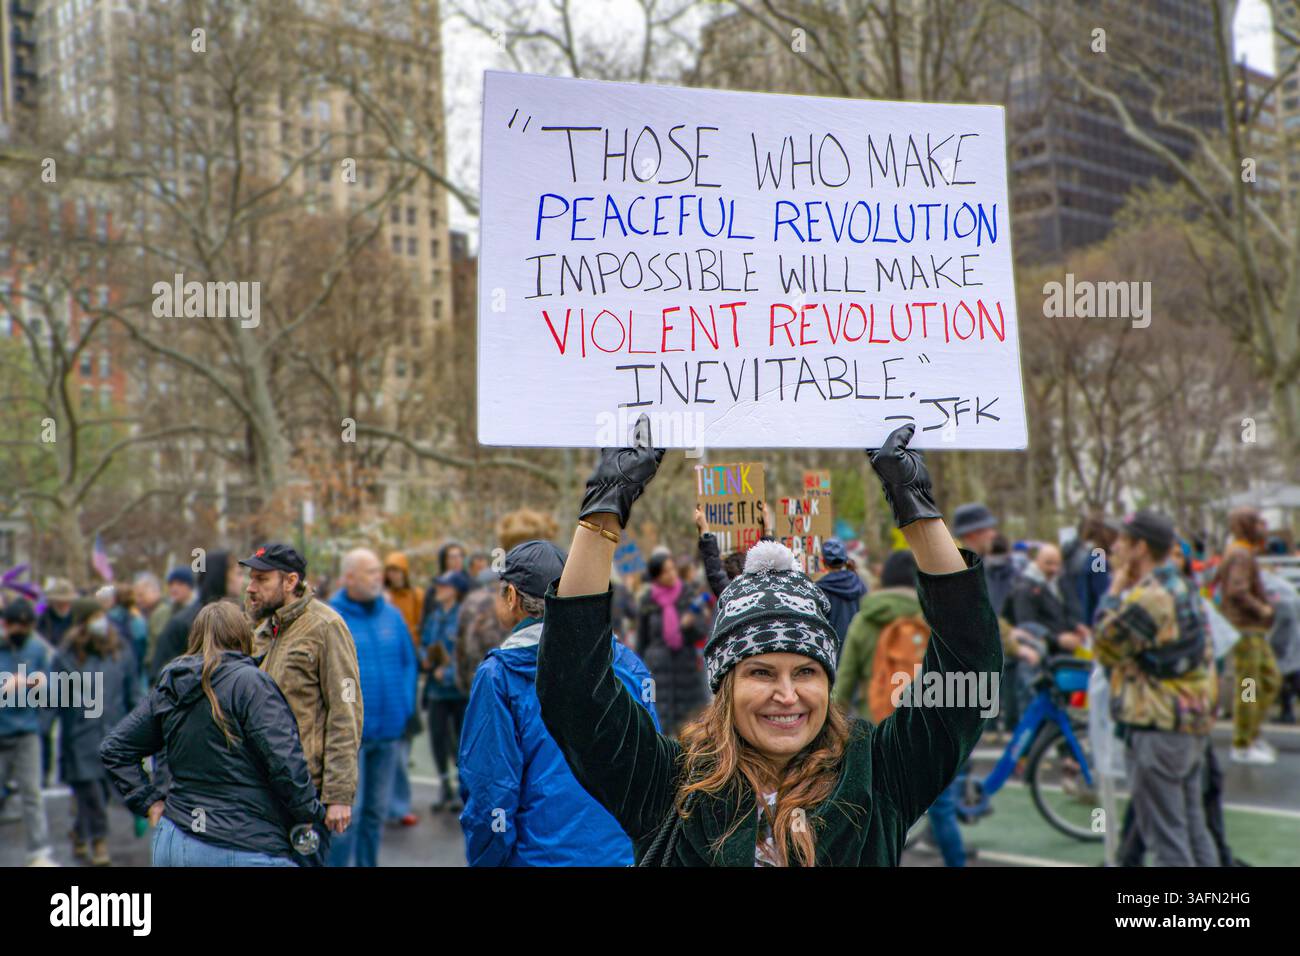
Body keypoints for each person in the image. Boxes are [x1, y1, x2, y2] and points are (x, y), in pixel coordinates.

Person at [536, 419, 1001, 866]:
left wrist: (914, 505)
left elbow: (970, 670)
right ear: (724, 685)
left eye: (806, 671)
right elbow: (574, 690)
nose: (787, 694)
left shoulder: (878, 775)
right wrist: (604, 509)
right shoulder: (667, 786)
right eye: (761, 672)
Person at [459, 540, 662, 865]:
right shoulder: (629, 664)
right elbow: (654, 774)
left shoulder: (499, 676)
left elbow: (491, 792)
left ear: (511, 598)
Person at [101, 601, 325, 866]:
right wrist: (307, 811)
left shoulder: (172, 685)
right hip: (243, 842)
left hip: (175, 840)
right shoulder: (250, 683)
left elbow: (115, 748)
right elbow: (285, 761)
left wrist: (150, 803)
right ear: (243, 635)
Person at [1094, 510, 1217, 867]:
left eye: (1122, 541)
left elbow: (1105, 644)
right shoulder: (1184, 587)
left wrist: (1114, 589)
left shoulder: (1150, 596)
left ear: (1140, 548)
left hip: (1156, 726)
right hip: (1189, 725)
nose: (1114, 547)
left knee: (1167, 839)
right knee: (1194, 830)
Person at [243, 542, 363, 864]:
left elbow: (345, 711)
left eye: (261, 580)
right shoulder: (262, 628)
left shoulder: (326, 626)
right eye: (250, 578)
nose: (250, 587)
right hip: (257, 790)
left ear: (291, 581)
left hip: (304, 795)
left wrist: (338, 795)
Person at [328, 549, 418, 866]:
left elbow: (409, 662)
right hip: (350, 739)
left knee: (374, 815)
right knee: (345, 819)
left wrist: (405, 704)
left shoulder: (392, 616)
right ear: (349, 577)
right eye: (370, 572)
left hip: (389, 733)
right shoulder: (332, 618)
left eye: (379, 570)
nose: (378, 577)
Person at [53, 598, 139, 865]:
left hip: (114, 732)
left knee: (100, 791)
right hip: (80, 737)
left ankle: (79, 833)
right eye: (95, 616)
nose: (102, 621)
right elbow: (55, 698)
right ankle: (99, 841)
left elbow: (132, 691)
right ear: (82, 623)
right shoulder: (67, 656)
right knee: (89, 790)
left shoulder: (120, 649)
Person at [1213, 507, 1280, 764]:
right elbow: (1237, 589)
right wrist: (1261, 608)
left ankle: (1252, 732)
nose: (1263, 527)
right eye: (1258, 522)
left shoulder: (1242, 552)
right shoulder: (1240, 554)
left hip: (1252, 630)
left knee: (1268, 680)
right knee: (1249, 686)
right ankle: (1243, 742)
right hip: (1246, 630)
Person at [0, 597, 57, 865]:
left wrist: (34, 683)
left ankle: (38, 853)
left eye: (26, 625)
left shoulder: (36, 649)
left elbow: (52, 688)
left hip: (26, 732)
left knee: (31, 794)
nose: (21, 631)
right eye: (16, 626)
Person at [636, 546, 709, 737]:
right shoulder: (648, 601)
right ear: (656, 576)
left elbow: (702, 631)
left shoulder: (688, 594)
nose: (671, 574)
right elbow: (642, 640)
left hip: (685, 671)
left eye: (672, 569)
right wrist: (641, 671)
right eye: (666, 571)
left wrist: (689, 626)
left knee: (689, 728)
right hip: (659, 673)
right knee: (662, 726)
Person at [421, 569, 470, 812]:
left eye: (444, 586)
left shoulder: (464, 617)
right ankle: (444, 788)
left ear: (455, 590)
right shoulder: (435, 617)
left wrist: (448, 674)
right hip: (436, 692)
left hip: (459, 692)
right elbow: (424, 644)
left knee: (461, 742)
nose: (438, 589)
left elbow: (469, 653)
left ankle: (464, 790)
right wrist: (426, 661)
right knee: (438, 739)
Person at [150, 553, 240, 684]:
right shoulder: (183, 622)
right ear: (221, 576)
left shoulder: (242, 617)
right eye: (238, 574)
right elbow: (161, 674)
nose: (242, 580)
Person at [1006, 544, 1088, 654]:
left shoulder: (1055, 582)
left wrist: (1075, 626)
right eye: (1048, 563)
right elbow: (1026, 626)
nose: (1054, 569)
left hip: (1060, 650)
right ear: (1037, 561)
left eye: (1057, 564)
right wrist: (1057, 640)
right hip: (1040, 654)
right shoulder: (1024, 589)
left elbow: (1059, 612)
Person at [815, 538, 867, 642]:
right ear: (845, 559)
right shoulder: (860, 584)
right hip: (857, 648)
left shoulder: (819, 589)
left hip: (832, 652)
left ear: (823, 562)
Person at [144, 567, 195, 668]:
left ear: (190, 586)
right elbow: (152, 645)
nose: (174, 588)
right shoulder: (161, 613)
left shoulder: (199, 612)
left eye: (180, 584)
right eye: (171, 584)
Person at [382, 552, 423, 650]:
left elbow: (422, 623)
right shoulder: (382, 596)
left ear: (404, 572)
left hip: (412, 645)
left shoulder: (416, 595)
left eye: (396, 571)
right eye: (389, 571)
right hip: (390, 645)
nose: (392, 575)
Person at [36, 579, 77, 647]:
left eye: (67, 601)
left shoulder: (75, 616)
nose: (64, 604)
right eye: (60, 601)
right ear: (53, 601)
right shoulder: (44, 616)